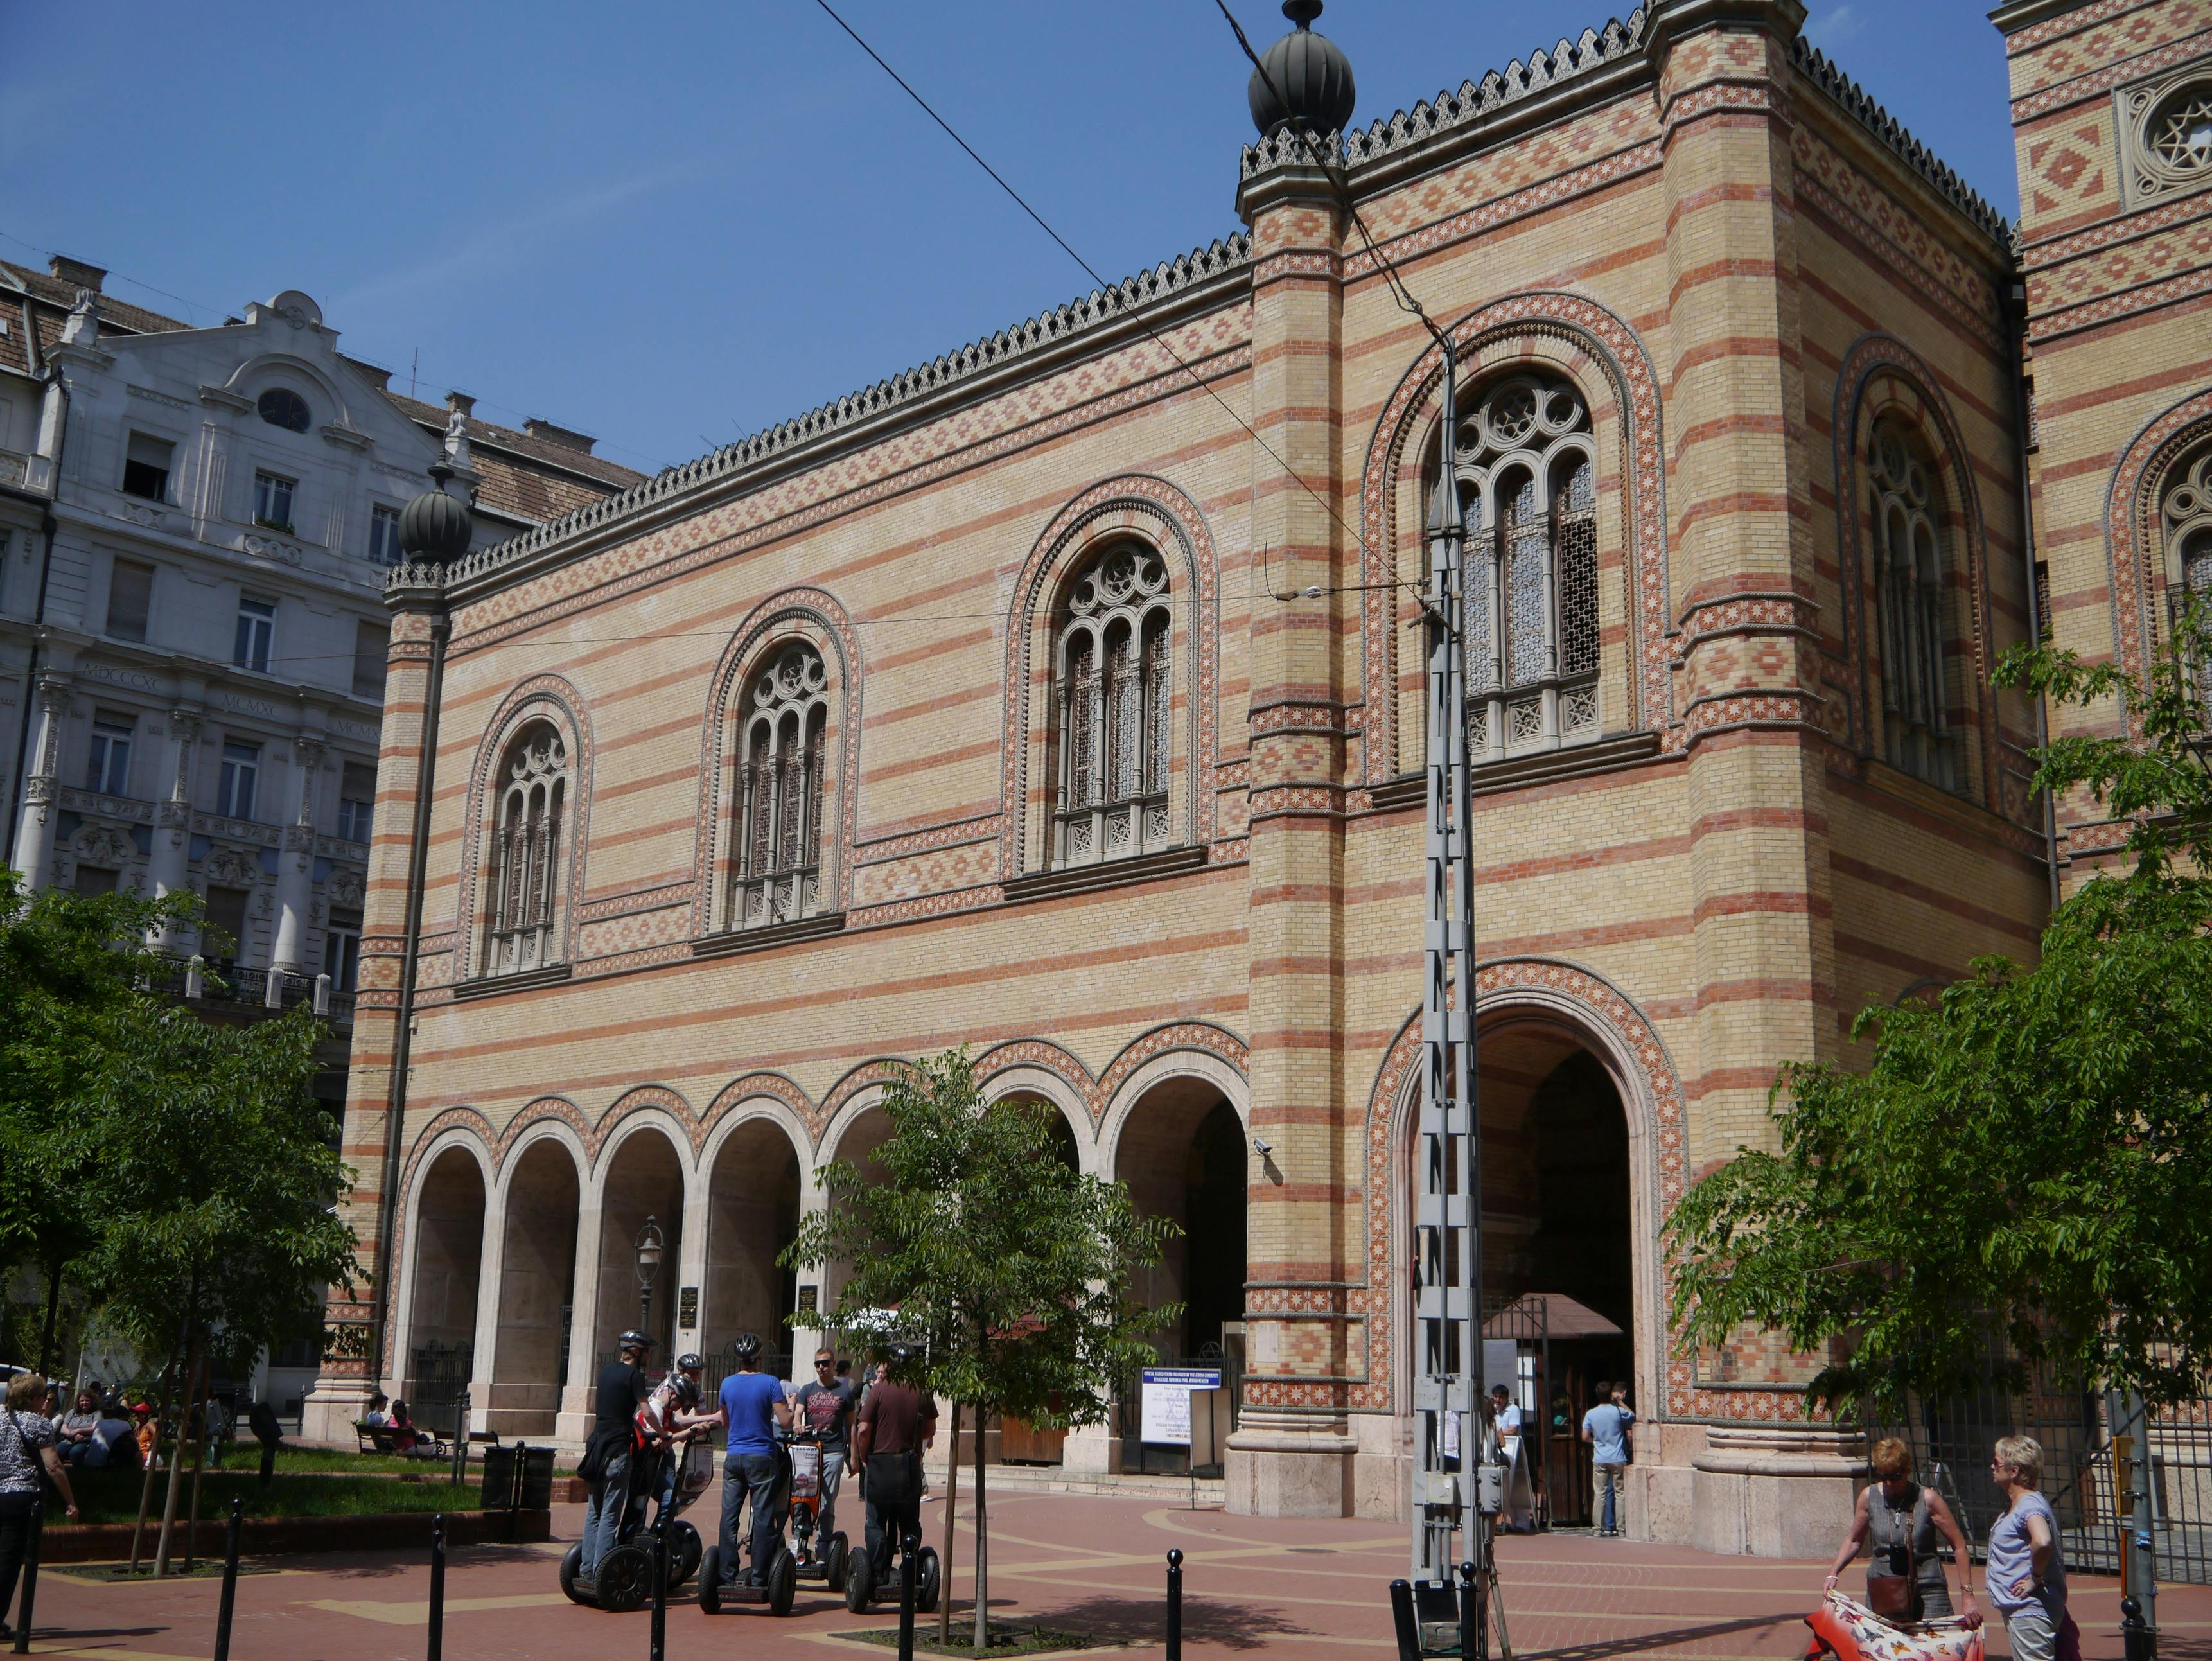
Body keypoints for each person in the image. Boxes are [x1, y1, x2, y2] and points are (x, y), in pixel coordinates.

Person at [1823, 1437, 1977, 1622]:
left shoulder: (1928, 1499)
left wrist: (1967, 1595)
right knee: (1884, 1648)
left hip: (1928, 1590)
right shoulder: (1869, 1497)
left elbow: (1959, 1546)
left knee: (1932, 1648)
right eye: (1883, 1476)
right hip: (1884, 1589)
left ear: (1907, 1471)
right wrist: (1833, 1573)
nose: (1888, 1483)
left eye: (1895, 1477)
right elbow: (1854, 1540)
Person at [700, 1334, 793, 1588]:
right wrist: (792, 1407)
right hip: (762, 1456)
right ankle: (760, 1576)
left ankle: (728, 1574)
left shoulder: (727, 1384)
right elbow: (786, 1422)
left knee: (729, 1517)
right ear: (760, 1357)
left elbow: (726, 1422)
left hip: (734, 1457)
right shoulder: (771, 1383)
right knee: (763, 1517)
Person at [3, 1370, 80, 1645]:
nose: (45, 1403)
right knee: (8, 1562)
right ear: (32, 1399)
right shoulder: (39, 1424)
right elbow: (54, 1466)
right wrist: (70, 1501)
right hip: (21, 1497)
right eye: (42, 1397)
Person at [851, 1346, 936, 1581]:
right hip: (909, 1465)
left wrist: (863, 1456)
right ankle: (910, 1572)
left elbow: (864, 1429)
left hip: (880, 1463)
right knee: (909, 1522)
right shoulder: (922, 1391)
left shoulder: (878, 1391)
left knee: (877, 1522)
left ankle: (878, 1574)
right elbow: (930, 1429)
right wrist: (916, 1449)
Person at [579, 1331, 654, 1588]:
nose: (649, 1356)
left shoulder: (606, 1372)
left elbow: (616, 1412)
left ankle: (587, 1571)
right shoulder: (635, 1376)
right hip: (618, 1452)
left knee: (595, 1513)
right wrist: (663, 1432)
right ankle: (604, 1573)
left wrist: (640, 1429)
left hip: (597, 1448)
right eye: (647, 1352)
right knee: (611, 1514)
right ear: (637, 1352)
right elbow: (646, 1410)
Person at [1986, 1436, 2071, 1661]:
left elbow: (2042, 1541)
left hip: (2030, 1611)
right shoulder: (2024, 1503)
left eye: (1996, 1462)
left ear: (2014, 1471)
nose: (1992, 1467)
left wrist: (2035, 1577)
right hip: (2024, 1611)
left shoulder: (2029, 1505)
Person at [794, 1348, 857, 1554]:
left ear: (833, 1364)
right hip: (809, 1452)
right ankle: (798, 1543)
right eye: (817, 1364)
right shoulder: (807, 1389)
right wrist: (797, 1424)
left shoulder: (844, 1392)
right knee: (802, 1497)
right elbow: (797, 1414)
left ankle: (823, 1547)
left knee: (827, 1503)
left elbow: (852, 1426)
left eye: (825, 1363)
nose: (821, 1367)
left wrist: (853, 1456)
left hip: (834, 1451)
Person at [1581, 1380, 1635, 1538]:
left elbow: (1585, 1437)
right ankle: (1621, 1528)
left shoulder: (1591, 1414)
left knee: (1600, 1494)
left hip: (1600, 1458)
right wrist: (1619, 1401)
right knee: (1620, 1493)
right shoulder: (1618, 1411)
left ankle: (1598, 1529)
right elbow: (1633, 1416)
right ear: (1611, 1393)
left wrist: (1595, 1442)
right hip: (1618, 1457)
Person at [53, 1391, 104, 1466]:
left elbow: (95, 1428)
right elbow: (63, 1428)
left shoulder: (97, 1413)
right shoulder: (72, 1412)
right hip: (69, 1440)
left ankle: (79, 1472)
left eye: (87, 1400)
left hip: (86, 1441)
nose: (85, 1403)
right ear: (78, 1401)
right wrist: (72, 1435)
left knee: (75, 1453)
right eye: (82, 1401)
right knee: (56, 1452)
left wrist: (78, 1431)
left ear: (92, 1401)